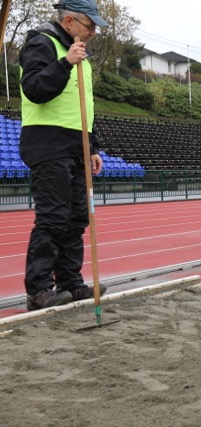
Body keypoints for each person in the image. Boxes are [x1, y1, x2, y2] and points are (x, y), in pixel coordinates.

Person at [19, 0, 108, 311]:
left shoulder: (80, 54)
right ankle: (39, 290)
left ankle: (70, 282)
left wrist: (92, 146)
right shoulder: (41, 43)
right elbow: (34, 89)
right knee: (54, 217)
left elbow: (82, 104)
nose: (94, 32)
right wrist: (65, 63)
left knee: (77, 217)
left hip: (77, 144)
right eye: (90, 26)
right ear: (69, 21)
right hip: (48, 141)